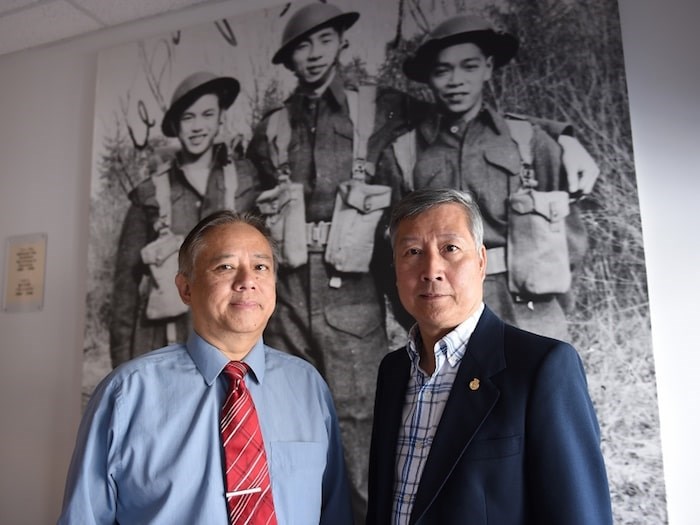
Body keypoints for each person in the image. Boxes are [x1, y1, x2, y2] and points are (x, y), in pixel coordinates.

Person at [59, 210, 352, 524]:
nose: (247, 281)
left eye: (260, 267)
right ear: (186, 288)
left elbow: (333, 513)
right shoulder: (126, 394)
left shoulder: (308, 387)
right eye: (225, 267)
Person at [246, 3, 424, 520]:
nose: (314, 53)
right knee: (287, 426)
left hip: (355, 294)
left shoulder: (379, 105)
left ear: (342, 42)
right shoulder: (274, 127)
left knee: (359, 425)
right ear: (289, 59)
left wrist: (560, 132)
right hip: (288, 301)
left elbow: (452, 121)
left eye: (324, 40)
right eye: (302, 45)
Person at [365, 188, 612, 525]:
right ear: (395, 269)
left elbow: (579, 516)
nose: (431, 269)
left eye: (450, 248)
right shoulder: (393, 371)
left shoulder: (543, 366)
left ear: (481, 262)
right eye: (412, 251)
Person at [383, 15, 599, 341]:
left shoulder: (528, 140)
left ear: (487, 68)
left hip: (530, 311)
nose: (456, 80)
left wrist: (548, 304)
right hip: (447, 315)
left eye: (469, 67)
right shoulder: (405, 153)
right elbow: (391, 253)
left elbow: (571, 241)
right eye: (443, 71)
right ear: (429, 78)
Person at [110, 71, 259, 369]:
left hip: (234, 349)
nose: (197, 126)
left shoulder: (247, 179)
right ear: (176, 126)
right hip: (163, 343)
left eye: (207, 114)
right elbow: (125, 287)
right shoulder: (150, 193)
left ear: (220, 120)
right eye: (188, 117)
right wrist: (122, 367)